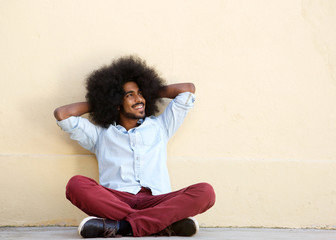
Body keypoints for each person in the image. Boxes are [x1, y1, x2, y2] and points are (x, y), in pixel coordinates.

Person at [54, 56, 216, 238]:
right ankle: (161, 224)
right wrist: (104, 100)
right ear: (115, 103)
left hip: (157, 200)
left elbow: (187, 90)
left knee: (205, 192)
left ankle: (122, 227)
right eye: (130, 95)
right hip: (116, 200)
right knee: (76, 185)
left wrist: (150, 91)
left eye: (141, 93)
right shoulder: (100, 135)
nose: (139, 99)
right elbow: (62, 114)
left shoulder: (160, 126)